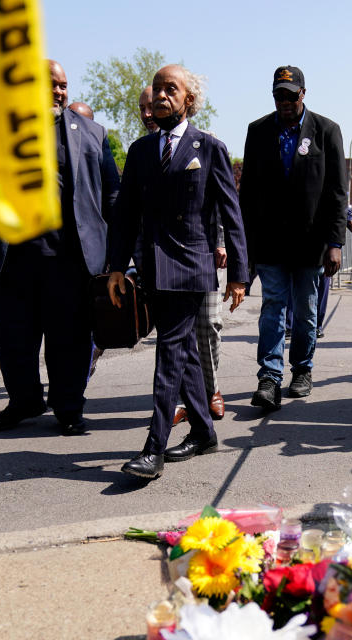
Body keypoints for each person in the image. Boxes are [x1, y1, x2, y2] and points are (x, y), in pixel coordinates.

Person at [0, 60, 120, 435]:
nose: (59, 92)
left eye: (63, 85)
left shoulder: (92, 134)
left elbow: (112, 194)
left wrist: (117, 254)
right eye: (51, 85)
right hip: (12, 260)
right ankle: (24, 401)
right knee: (11, 339)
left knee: (70, 341)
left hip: (70, 262)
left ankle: (68, 408)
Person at [108, 64, 248, 480]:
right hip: (152, 269)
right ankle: (204, 432)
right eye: (158, 89)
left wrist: (239, 274)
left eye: (172, 89)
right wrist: (116, 267)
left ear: (189, 100)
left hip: (192, 269)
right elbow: (125, 214)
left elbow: (231, 213)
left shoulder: (209, 148)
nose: (162, 95)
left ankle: (153, 450)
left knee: (169, 353)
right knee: (184, 352)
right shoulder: (140, 151)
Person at [239, 65, 346, 409]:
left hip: (310, 244)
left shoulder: (327, 131)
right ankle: (269, 377)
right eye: (278, 95)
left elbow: (336, 192)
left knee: (305, 311)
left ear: (303, 94)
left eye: (290, 94)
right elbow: (249, 192)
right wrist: (245, 244)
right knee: (272, 309)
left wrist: (335, 243)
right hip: (270, 243)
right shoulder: (257, 131)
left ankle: (302, 368)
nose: (284, 101)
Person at [136, 86, 229, 427]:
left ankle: (211, 389)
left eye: (154, 104)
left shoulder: (204, 143)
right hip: (157, 258)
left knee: (207, 326)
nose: (149, 112)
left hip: (200, 255)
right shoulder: (144, 151)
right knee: (173, 337)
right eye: (143, 108)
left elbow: (218, 202)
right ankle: (178, 408)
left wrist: (221, 243)